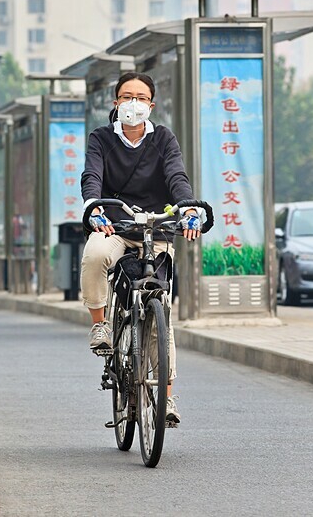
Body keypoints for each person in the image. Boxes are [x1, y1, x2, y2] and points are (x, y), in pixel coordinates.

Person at [80, 71, 202, 424]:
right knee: (96, 254)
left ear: (151, 104)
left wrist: (189, 207)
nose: (133, 103)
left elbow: (177, 176)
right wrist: (95, 206)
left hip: (156, 228)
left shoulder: (163, 138)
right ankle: (101, 324)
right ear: (116, 102)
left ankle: (166, 400)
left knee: (159, 315)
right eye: (126, 96)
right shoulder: (101, 138)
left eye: (140, 97)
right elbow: (92, 177)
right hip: (115, 224)